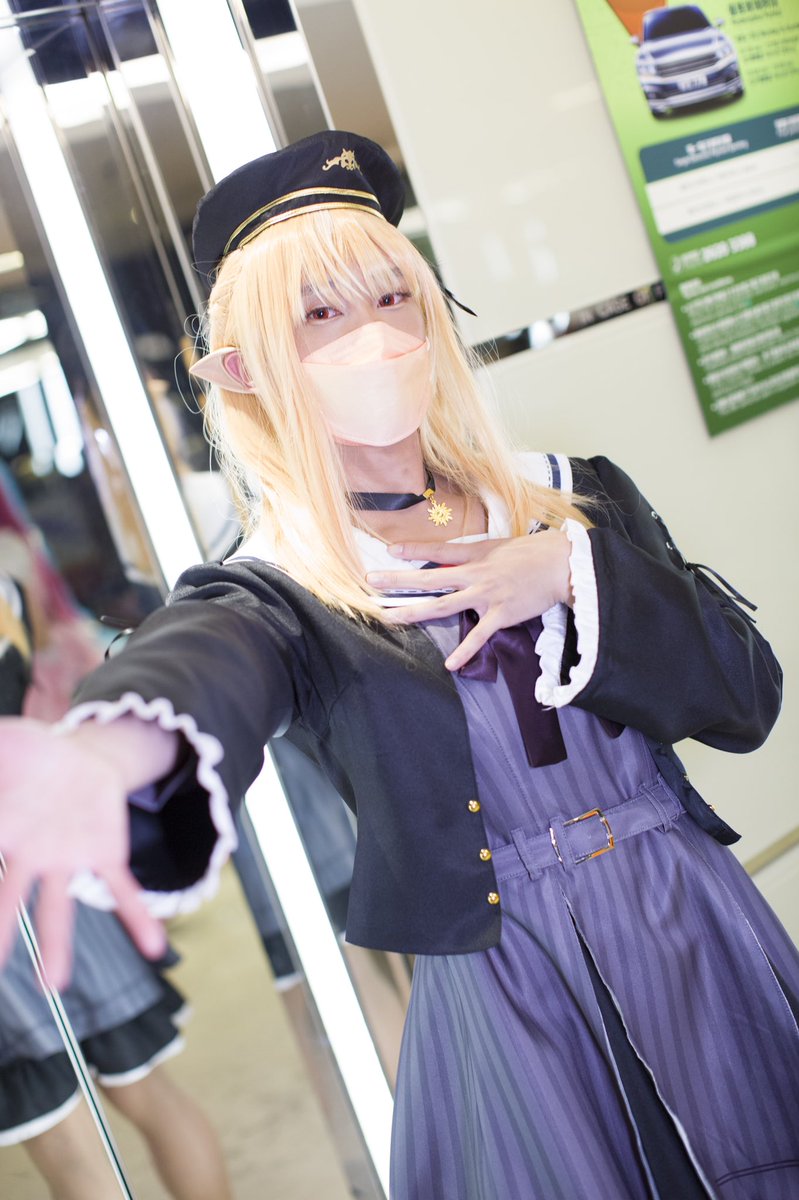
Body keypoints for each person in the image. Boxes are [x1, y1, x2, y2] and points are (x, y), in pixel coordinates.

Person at [0, 129, 796, 1200]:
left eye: (391, 298)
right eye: (319, 315)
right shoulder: (284, 586)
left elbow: (746, 697)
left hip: (688, 915)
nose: (372, 335)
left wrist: (569, 572)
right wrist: (106, 752)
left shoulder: (570, 496)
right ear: (245, 369)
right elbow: (205, 662)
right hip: (511, 982)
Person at [0, 495, 233, 1200]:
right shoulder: (7, 569)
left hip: (41, 838)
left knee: (69, 1143)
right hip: (45, 828)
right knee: (144, 1092)